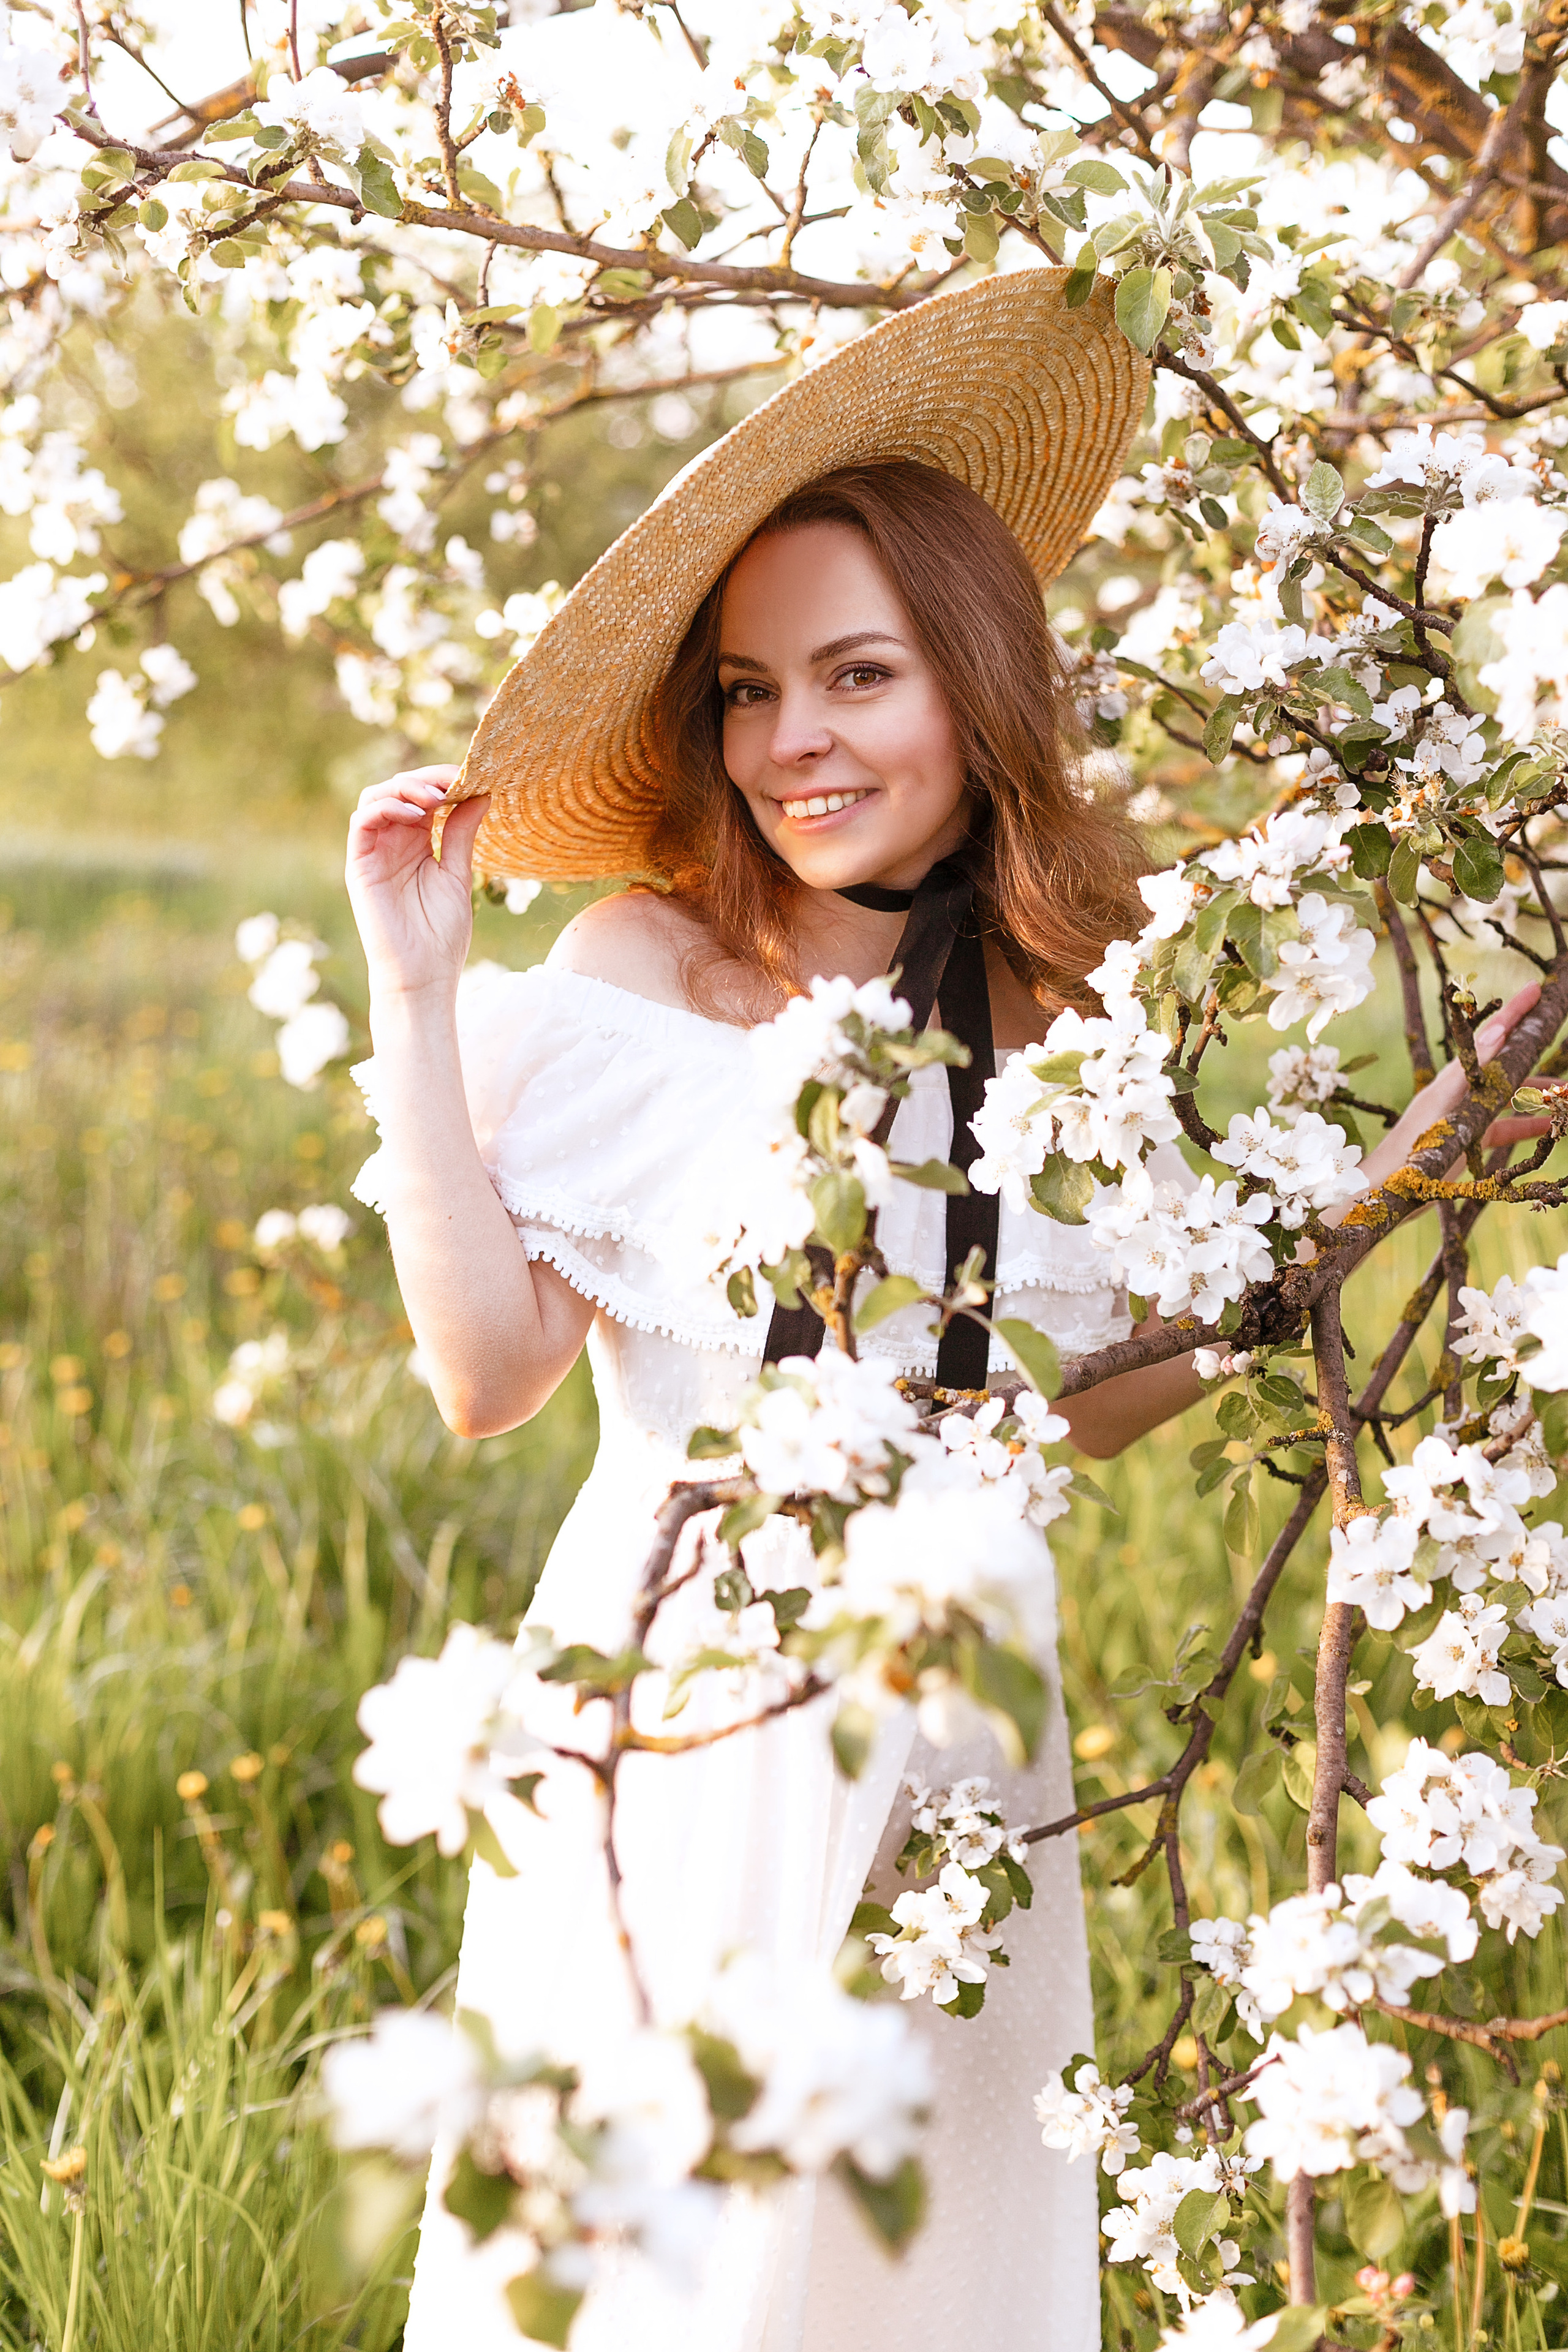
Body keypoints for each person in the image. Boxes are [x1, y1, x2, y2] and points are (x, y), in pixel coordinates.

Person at [345, 274, 1544, 2351]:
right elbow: (486, 1377)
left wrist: (1397, 1176)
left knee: (913, 2263)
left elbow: (1064, 1398)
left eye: (857, 676)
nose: (794, 739)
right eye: (747, 690)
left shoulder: (1074, 1012)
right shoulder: (649, 972)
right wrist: (417, 989)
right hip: (685, 1668)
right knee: (671, 2272)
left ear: (976, 690)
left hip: (965, 1711)